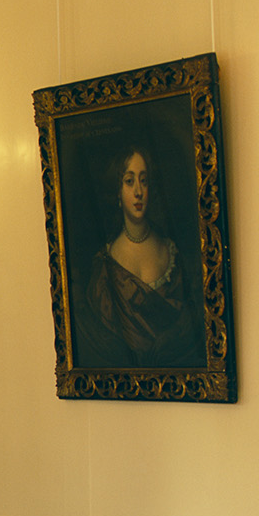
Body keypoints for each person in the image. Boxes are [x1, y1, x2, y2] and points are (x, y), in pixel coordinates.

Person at [71, 145, 204, 369]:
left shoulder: (172, 254)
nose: (138, 191)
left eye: (144, 180)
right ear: (118, 192)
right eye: (129, 181)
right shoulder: (105, 267)